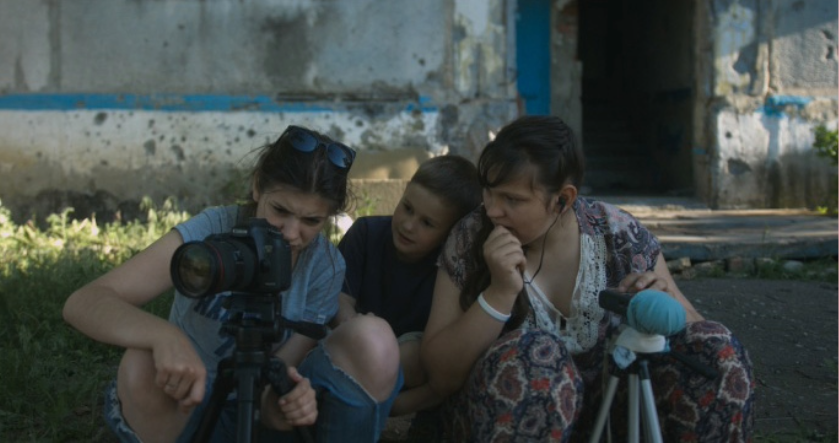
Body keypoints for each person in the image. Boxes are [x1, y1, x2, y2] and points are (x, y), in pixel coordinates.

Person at [420, 115, 755, 442]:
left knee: (718, 350)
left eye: (512, 199)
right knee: (537, 356)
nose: (492, 210)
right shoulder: (471, 238)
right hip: (501, 415)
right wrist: (499, 293)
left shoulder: (619, 235)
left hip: (616, 418)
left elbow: (697, 333)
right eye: (489, 192)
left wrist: (665, 307)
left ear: (563, 200)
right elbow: (441, 375)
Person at [63, 125, 402, 443]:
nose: (290, 233)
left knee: (374, 337)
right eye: (280, 210)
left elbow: (287, 362)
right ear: (258, 186)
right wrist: (162, 336)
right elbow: (86, 301)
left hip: (263, 410)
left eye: (312, 220)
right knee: (141, 362)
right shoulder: (212, 230)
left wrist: (280, 401)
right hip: (188, 400)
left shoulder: (323, 266)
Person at [332, 155, 482, 418]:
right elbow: (340, 298)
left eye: (427, 223)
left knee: (415, 354)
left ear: (450, 234)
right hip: (353, 342)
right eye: (407, 207)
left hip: (404, 370)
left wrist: (401, 406)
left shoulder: (449, 269)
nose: (408, 225)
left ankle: (373, 403)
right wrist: (359, 332)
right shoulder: (366, 233)